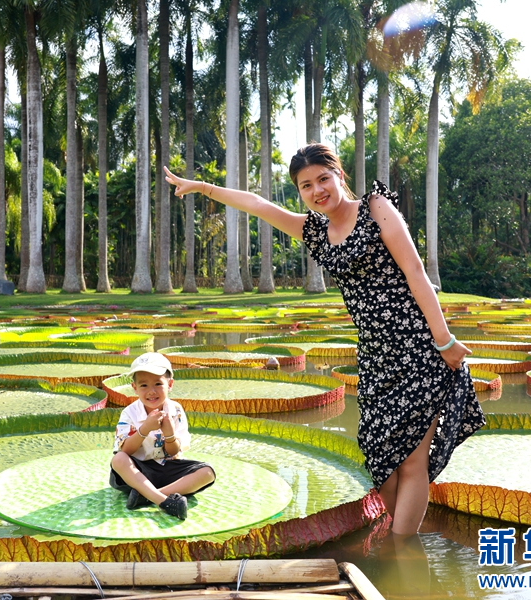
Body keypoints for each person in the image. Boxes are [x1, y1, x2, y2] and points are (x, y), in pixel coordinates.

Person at [163, 143, 484, 535]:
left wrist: (444, 341)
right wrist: (203, 187)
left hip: (417, 346)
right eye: (306, 185)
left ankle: (403, 547)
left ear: (339, 176)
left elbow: (416, 272)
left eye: (323, 179)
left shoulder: (376, 208)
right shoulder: (315, 232)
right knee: (380, 456)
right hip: (376, 356)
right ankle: (402, 535)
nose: (317, 190)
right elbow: (258, 205)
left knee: (412, 460)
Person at [110, 352, 216, 520]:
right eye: (144, 385)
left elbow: (173, 452)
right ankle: (163, 501)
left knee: (207, 473)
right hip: (139, 471)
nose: (151, 391)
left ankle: (147, 496)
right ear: (135, 388)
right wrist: (144, 429)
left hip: (168, 468)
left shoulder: (176, 410)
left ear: (170, 384)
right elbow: (126, 450)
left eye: (158, 384)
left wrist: (170, 434)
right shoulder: (129, 413)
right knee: (118, 459)